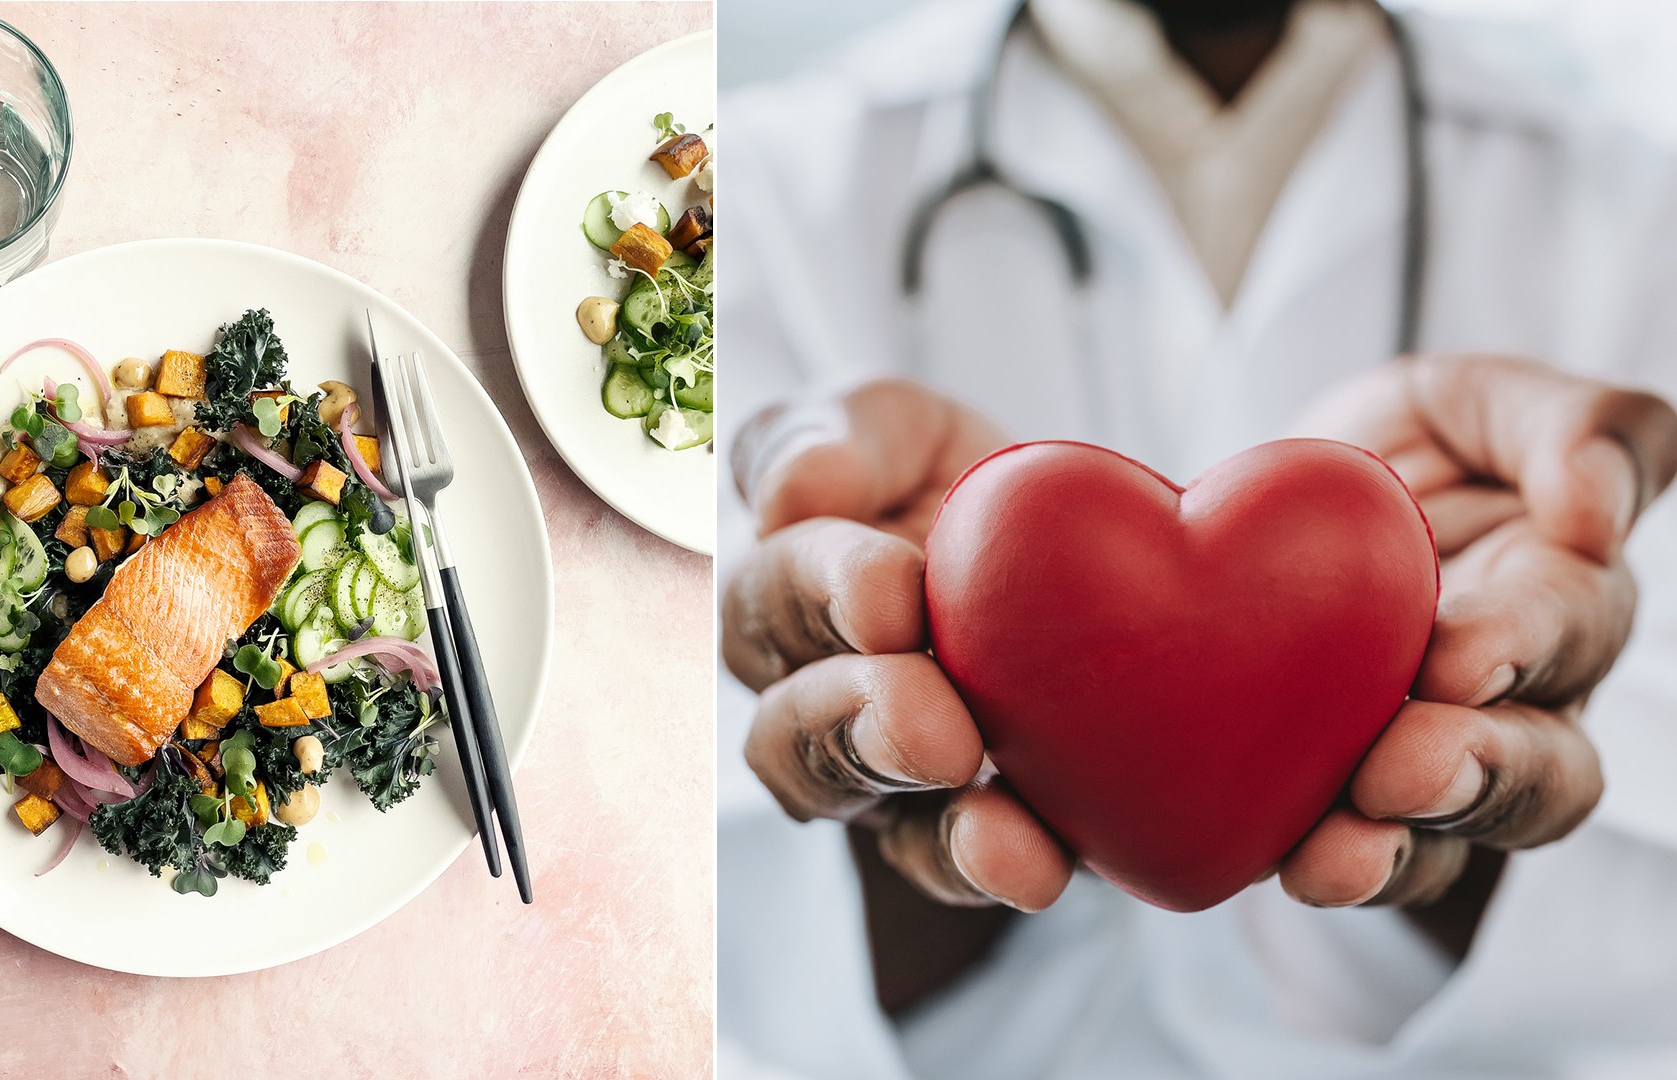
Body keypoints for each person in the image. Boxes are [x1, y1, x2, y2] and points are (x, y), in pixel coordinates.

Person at [715, 1, 1677, 1076]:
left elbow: (1647, 962)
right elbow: (683, 928)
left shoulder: (1637, 211)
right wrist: (876, 782)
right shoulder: (752, 195)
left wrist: (1471, 798)